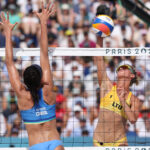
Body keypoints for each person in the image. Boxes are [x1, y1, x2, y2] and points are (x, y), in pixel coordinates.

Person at [0, 1, 64, 150]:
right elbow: (44, 53)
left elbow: (9, 63)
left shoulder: (22, 95)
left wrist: (8, 33)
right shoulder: (47, 91)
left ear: (26, 81)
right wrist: (43, 22)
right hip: (55, 144)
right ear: (42, 79)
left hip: (35, 146)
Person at [93, 35, 141, 146]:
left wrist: (123, 100)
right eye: (120, 67)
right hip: (99, 142)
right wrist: (100, 38)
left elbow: (133, 120)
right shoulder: (107, 87)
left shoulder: (134, 99)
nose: (121, 68)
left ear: (132, 75)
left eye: (125, 67)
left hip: (119, 142)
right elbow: (99, 59)